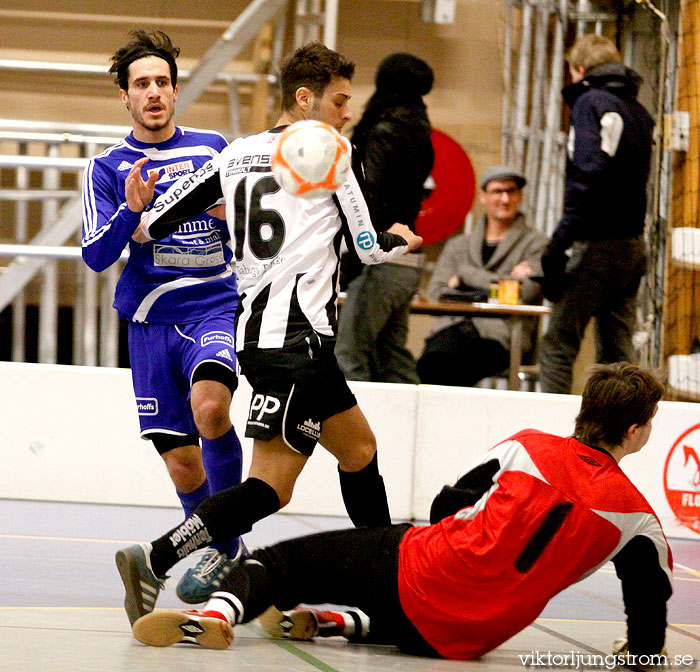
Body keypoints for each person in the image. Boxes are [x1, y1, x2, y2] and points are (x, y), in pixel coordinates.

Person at [113, 42, 423, 627]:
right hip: (296, 343)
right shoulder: (330, 148)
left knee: (359, 451)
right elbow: (367, 246)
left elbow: (155, 222)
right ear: (306, 99)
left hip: (261, 336)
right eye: (338, 100)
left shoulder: (237, 154)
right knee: (271, 488)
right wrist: (400, 239)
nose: (346, 112)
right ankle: (155, 558)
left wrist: (140, 203)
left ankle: (392, 584)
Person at [127, 363, 671, 663]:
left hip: (422, 567)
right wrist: (640, 653)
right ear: (635, 431)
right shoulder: (640, 520)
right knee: (411, 620)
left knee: (278, 564)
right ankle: (339, 622)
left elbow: (446, 505)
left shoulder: (528, 447)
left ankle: (215, 619)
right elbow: (649, 613)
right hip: (472, 638)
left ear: (585, 410)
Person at [81, 30, 245, 612]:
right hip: (150, 323)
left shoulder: (212, 151)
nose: (153, 93)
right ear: (125, 97)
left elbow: (245, 232)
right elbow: (97, 255)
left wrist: (231, 217)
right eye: (141, 84)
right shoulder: (107, 166)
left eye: (162, 83)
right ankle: (228, 545)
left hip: (211, 306)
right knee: (181, 462)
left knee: (213, 409)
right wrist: (131, 209)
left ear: (176, 91)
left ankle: (227, 543)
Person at [538, 34, 653, 394]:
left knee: (558, 344)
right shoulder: (639, 111)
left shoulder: (590, 103)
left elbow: (587, 175)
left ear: (579, 69)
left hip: (597, 244)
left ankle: (550, 440)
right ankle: (622, 428)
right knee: (617, 357)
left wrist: (559, 243)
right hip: (632, 246)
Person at [335, 53, 435, 384]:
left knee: (349, 353)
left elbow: (372, 199)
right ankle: (412, 433)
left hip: (382, 255)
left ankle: (359, 435)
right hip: (408, 259)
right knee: (392, 356)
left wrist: (355, 259)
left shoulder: (384, 131)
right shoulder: (420, 128)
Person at [417, 166, 547, 386]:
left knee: (454, 370)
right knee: (427, 367)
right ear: (483, 196)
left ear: (519, 197)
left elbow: (525, 291)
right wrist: (504, 281)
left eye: (511, 191)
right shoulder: (460, 245)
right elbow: (436, 292)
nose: (505, 199)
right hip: (451, 326)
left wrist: (465, 277)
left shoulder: (536, 244)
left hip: (501, 335)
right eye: (497, 191)